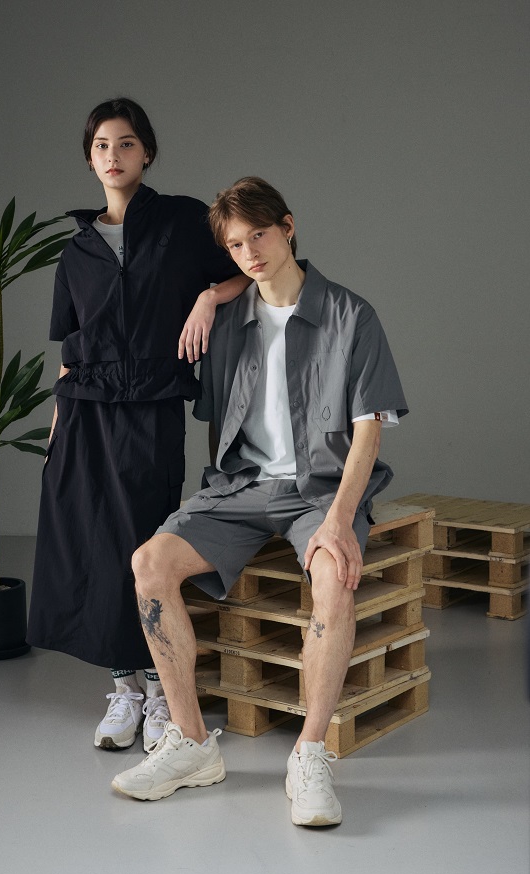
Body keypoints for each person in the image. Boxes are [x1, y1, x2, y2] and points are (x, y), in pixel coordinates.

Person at [112, 177, 408, 826]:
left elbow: (368, 430)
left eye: (260, 235)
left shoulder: (351, 315)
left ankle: (309, 755)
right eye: (235, 245)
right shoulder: (226, 323)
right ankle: (192, 743)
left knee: (334, 577)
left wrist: (340, 520)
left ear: (289, 227)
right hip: (242, 488)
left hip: (322, 491)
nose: (250, 253)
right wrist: (207, 297)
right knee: (148, 564)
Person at [27, 99, 248, 752]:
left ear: (146, 152)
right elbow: (71, 350)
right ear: (89, 159)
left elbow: (248, 268)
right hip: (84, 413)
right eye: (101, 145)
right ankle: (124, 688)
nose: (113, 155)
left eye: (125, 143)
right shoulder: (76, 252)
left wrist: (207, 296)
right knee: (94, 545)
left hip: (152, 405)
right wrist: (55, 424)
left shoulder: (183, 221)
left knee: (145, 542)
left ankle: (160, 691)